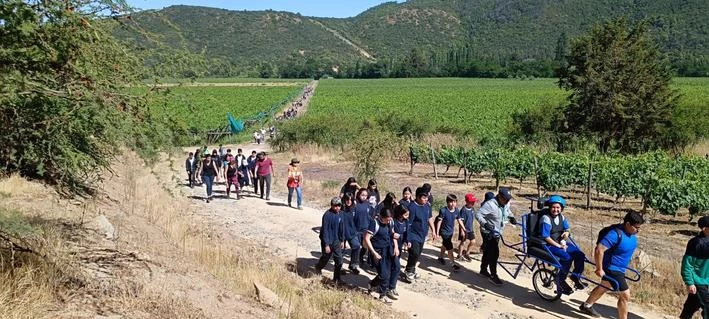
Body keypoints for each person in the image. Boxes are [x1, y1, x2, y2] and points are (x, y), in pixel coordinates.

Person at [578, 212, 645, 319]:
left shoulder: (630, 234)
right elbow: (599, 250)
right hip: (612, 268)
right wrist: (599, 269)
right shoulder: (614, 234)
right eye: (636, 227)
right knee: (625, 295)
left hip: (620, 268)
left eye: (639, 227)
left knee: (604, 286)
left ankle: (586, 305)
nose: (638, 230)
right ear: (628, 224)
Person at [539, 195, 586, 294]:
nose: (555, 210)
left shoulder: (562, 217)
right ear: (550, 207)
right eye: (553, 207)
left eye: (558, 208)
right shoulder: (546, 219)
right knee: (567, 257)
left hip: (561, 242)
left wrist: (567, 233)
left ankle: (575, 276)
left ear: (561, 208)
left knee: (580, 255)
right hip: (550, 245)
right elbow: (546, 237)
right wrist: (559, 246)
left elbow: (567, 228)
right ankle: (560, 280)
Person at [476, 187, 517, 286]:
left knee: (488, 251)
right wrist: (485, 224)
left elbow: (507, 211)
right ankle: (493, 276)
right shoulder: (490, 204)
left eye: (508, 199)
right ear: (499, 196)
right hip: (488, 232)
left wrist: (511, 217)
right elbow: (478, 215)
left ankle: (483, 269)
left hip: (498, 232)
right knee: (494, 253)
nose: (507, 201)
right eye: (505, 199)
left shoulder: (505, 203)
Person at [364, 208, 399, 304]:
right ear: (381, 217)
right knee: (384, 274)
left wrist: (395, 245)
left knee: (387, 272)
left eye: (389, 219)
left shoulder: (390, 222)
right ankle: (382, 295)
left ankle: (372, 284)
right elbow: (367, 238)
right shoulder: (374, 224)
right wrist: (374, 253)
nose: (388, 221)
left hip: (387, 249)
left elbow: (391, 233)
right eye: (386, 219)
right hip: (378, 252)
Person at [403, 187, 435, 282]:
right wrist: (407, 239)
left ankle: (412, 269)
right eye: (423, 198)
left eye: (426, 198)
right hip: (413, 235)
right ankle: (409, 271)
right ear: (417, 197)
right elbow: (408, 223)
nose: (426, 200)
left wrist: (433, 230)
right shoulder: (412, 207)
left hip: (422, 234)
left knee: (418, 254)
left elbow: (429, 218)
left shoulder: (427, 206)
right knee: (414, 252)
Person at [680, 216, 709, 319]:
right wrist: (690, 282)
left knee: (691, 306)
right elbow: (687, 264)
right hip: (698, 280)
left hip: (705, 280)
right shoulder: (696, 243)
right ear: (704, 228)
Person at [315, 197, 345, 285]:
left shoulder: (341, 214)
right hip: (328, 240)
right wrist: (326, 244)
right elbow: (325, 231)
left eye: (339, 206)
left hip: (336, 241)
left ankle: (336, 278)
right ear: (331, 205)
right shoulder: (327, 215)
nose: (337, 208)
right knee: (325, 258)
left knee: (339, 260)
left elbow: (342, 228)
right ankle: (318, 267)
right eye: (335, 206)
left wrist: (342, 240)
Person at [436, 194, 461, 271]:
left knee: (445, 244)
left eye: (454, 202)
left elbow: (459, 220)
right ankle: (453, 264)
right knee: (450, 247)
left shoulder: (456, 210)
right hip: (444, 232)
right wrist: (436, 233)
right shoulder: (443, 210)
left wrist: (463, 229)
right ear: (447, 202)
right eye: (451, 202)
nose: (453, 203)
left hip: (450, 232)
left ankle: (440, 257)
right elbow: (439, 222)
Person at [390, 205, 409, 297]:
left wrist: (407, 241)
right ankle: (391, 287)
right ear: (400, 214)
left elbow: (406, 233)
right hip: (392, 247)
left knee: (393, 268)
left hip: (400, 247)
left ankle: (384, 285)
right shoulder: (393, 222)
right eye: (405, 214)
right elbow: (391, 234)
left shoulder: (405, 222)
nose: (407, 215)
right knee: (396, 267)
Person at [341, 193, 361, 274]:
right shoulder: (341, 209)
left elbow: (357, 220)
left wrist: (356, 231)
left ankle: (353, 265)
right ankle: (339, 267)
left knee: (356, 246)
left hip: (352, 232)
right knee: (341, 250)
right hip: (342, 233)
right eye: (347, 199)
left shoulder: (354, 208)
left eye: (351, 200)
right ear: (344, 200)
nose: (349, 201)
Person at [354, 188, 373, 267]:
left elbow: (370, 215)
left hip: (366, 228)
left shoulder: (368, 204)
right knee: (357, 246)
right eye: (362, 195)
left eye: (365, 195)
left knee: (365, 246)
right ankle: (354, 262)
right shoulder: (355, 204)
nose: (364, 197)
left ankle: (361, 258)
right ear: (358, 195)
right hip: (357, 229)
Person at [457, 193, 478, 261]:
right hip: (464, 229)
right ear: (467, 201)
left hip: (470, 229)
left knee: (473, 241)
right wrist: (462, 231)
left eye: (473, 202)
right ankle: (459, 255)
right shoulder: (463, 210)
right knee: (463, 242)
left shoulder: (472, 209)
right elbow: (461, 221)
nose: (473, 203)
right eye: (472, 202)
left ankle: (467, 253)